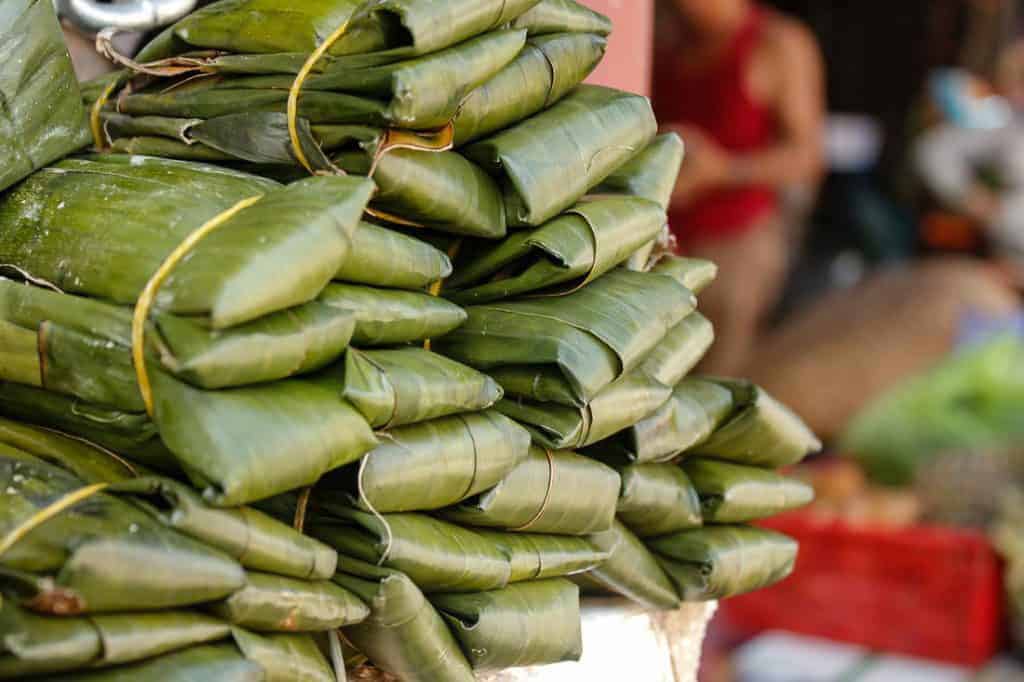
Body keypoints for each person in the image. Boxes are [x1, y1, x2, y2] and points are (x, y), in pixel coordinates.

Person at [653, 0, 825, 375]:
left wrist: (723, 170)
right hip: (659, 238)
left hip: (734, 242)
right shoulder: (664, 34)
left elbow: (806, 157)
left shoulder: (777, 43)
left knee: (711, 381)